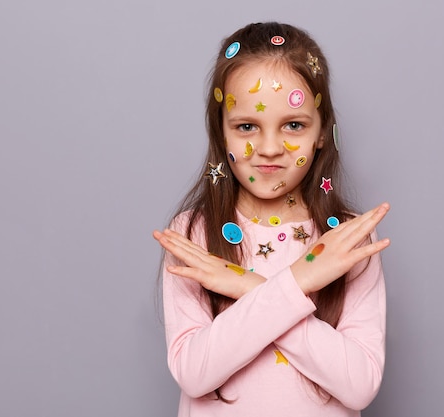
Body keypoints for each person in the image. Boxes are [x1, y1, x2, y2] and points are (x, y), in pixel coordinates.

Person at [153, 21, 391, 417]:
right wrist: (299, 281)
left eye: (293, 125)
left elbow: (360, 384)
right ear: (221, 132)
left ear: (320, 132)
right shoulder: (194, 235)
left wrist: (247, 285)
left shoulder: (346, 241)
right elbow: (194, 374)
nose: (268, 148)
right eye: (247, 126)